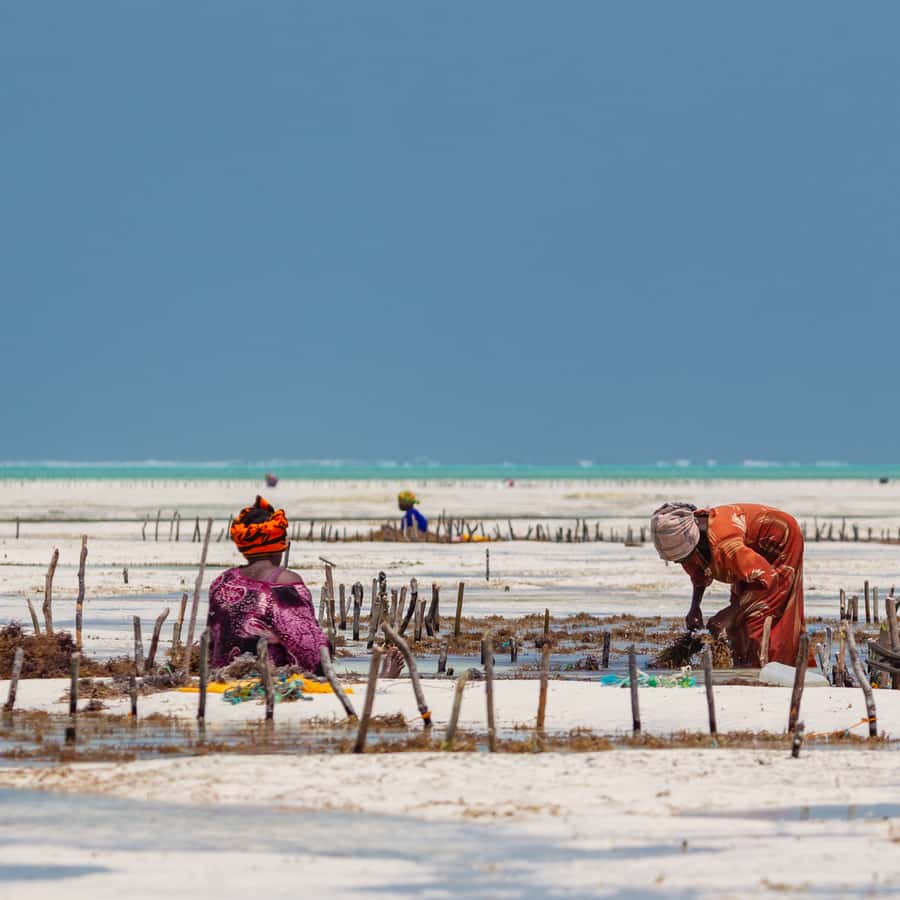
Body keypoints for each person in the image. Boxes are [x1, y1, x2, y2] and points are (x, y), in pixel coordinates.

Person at [649, 502, 805, 666]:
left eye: (682, 559)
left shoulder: (726, 546)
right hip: (749, 555)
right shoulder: (694, 541)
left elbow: (768, 579)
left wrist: (729, 613)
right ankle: (741, 664)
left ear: (693, 545)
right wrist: (695, 607)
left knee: (759, 614)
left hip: (780, 540)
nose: (680, 563)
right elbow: (699, 571)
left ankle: (769, 666)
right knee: (737, 616)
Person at [207, 496, 329, 671]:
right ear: (279, 544)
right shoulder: (285, 583)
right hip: (269, 678)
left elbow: (213, 644)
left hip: (222, 675)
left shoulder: (222, 581)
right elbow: (310, 650)